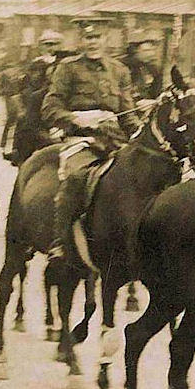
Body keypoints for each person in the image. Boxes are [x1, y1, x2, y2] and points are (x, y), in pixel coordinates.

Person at [43, 18, 141, 258]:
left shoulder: (119, 71)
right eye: (88, 38)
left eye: (97, 37)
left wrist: (139, 133)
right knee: (75, 178)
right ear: (81, 40)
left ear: (106, 39)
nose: (93, 43)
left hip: (114, 138)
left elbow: (128, 113)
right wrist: (75, 119)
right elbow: (50, 106)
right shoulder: (68, 68)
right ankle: (61, 241)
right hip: (80, 139)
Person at [9, 29, 64, 166]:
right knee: (24, 122)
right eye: (47, 44)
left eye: (54, 44)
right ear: (41, 47)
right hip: (37, 103)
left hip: (58, 98)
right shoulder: (36, 65)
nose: (51, 48)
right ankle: (19, 154)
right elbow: (25, 85)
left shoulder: (65, 62)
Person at [121, 30, 163, 100]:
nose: (151, 54)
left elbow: (156, 91)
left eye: (152, 50)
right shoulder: (124, 67)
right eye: (147, 50)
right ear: (135, 51)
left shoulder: (153, 69)